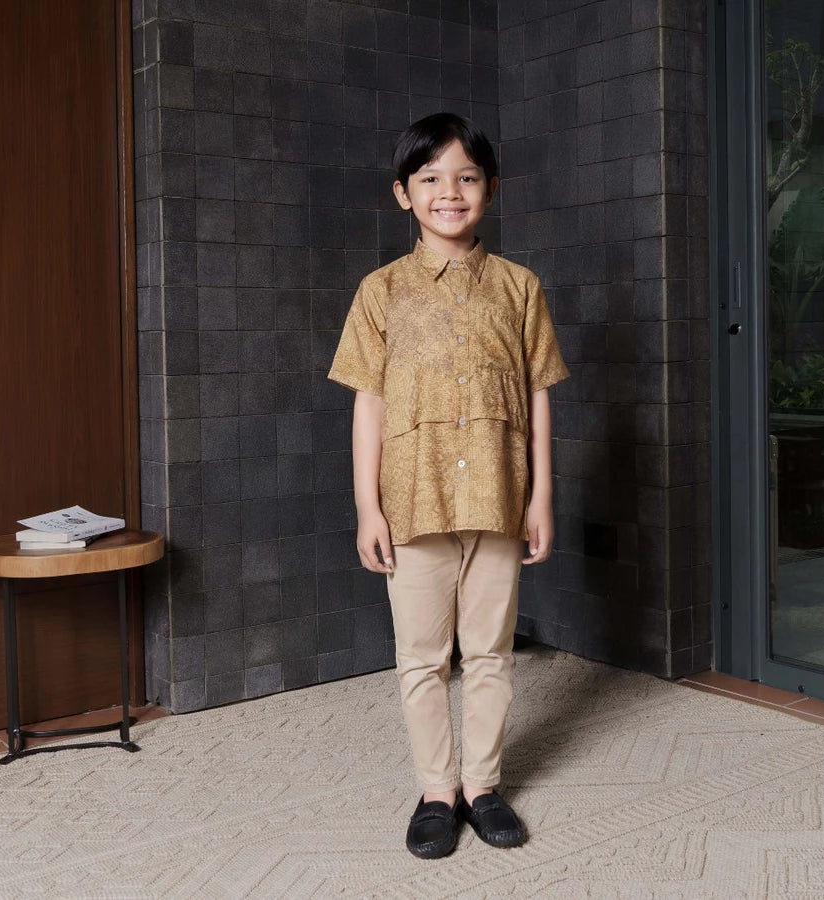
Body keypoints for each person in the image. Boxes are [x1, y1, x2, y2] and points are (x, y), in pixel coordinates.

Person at [328, 112, 568, 859]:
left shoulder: (520, 288)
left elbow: (537, 395)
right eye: (430, 179)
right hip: (415, 502)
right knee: (422, 657)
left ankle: (483, 786)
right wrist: (369, 506)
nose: (449, 192)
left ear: (490, 190)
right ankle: (437, 790)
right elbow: (367, 400)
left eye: (466, 177)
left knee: (491, 652)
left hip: (499, 498)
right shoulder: (381, 292)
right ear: (404, 194)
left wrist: (541, 498)